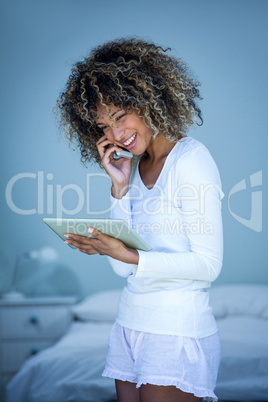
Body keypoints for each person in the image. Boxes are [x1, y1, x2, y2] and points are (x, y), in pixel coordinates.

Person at [55, 37, 224, 402]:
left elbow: (209, 266)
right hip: (130, 323)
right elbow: (123, 271)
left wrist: (127, 254)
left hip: (175, 329)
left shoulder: (190, 160)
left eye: (120, 117)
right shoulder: (130, 168)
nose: (116, 136)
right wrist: (118, 187)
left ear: (150, 101)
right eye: (103, 127)